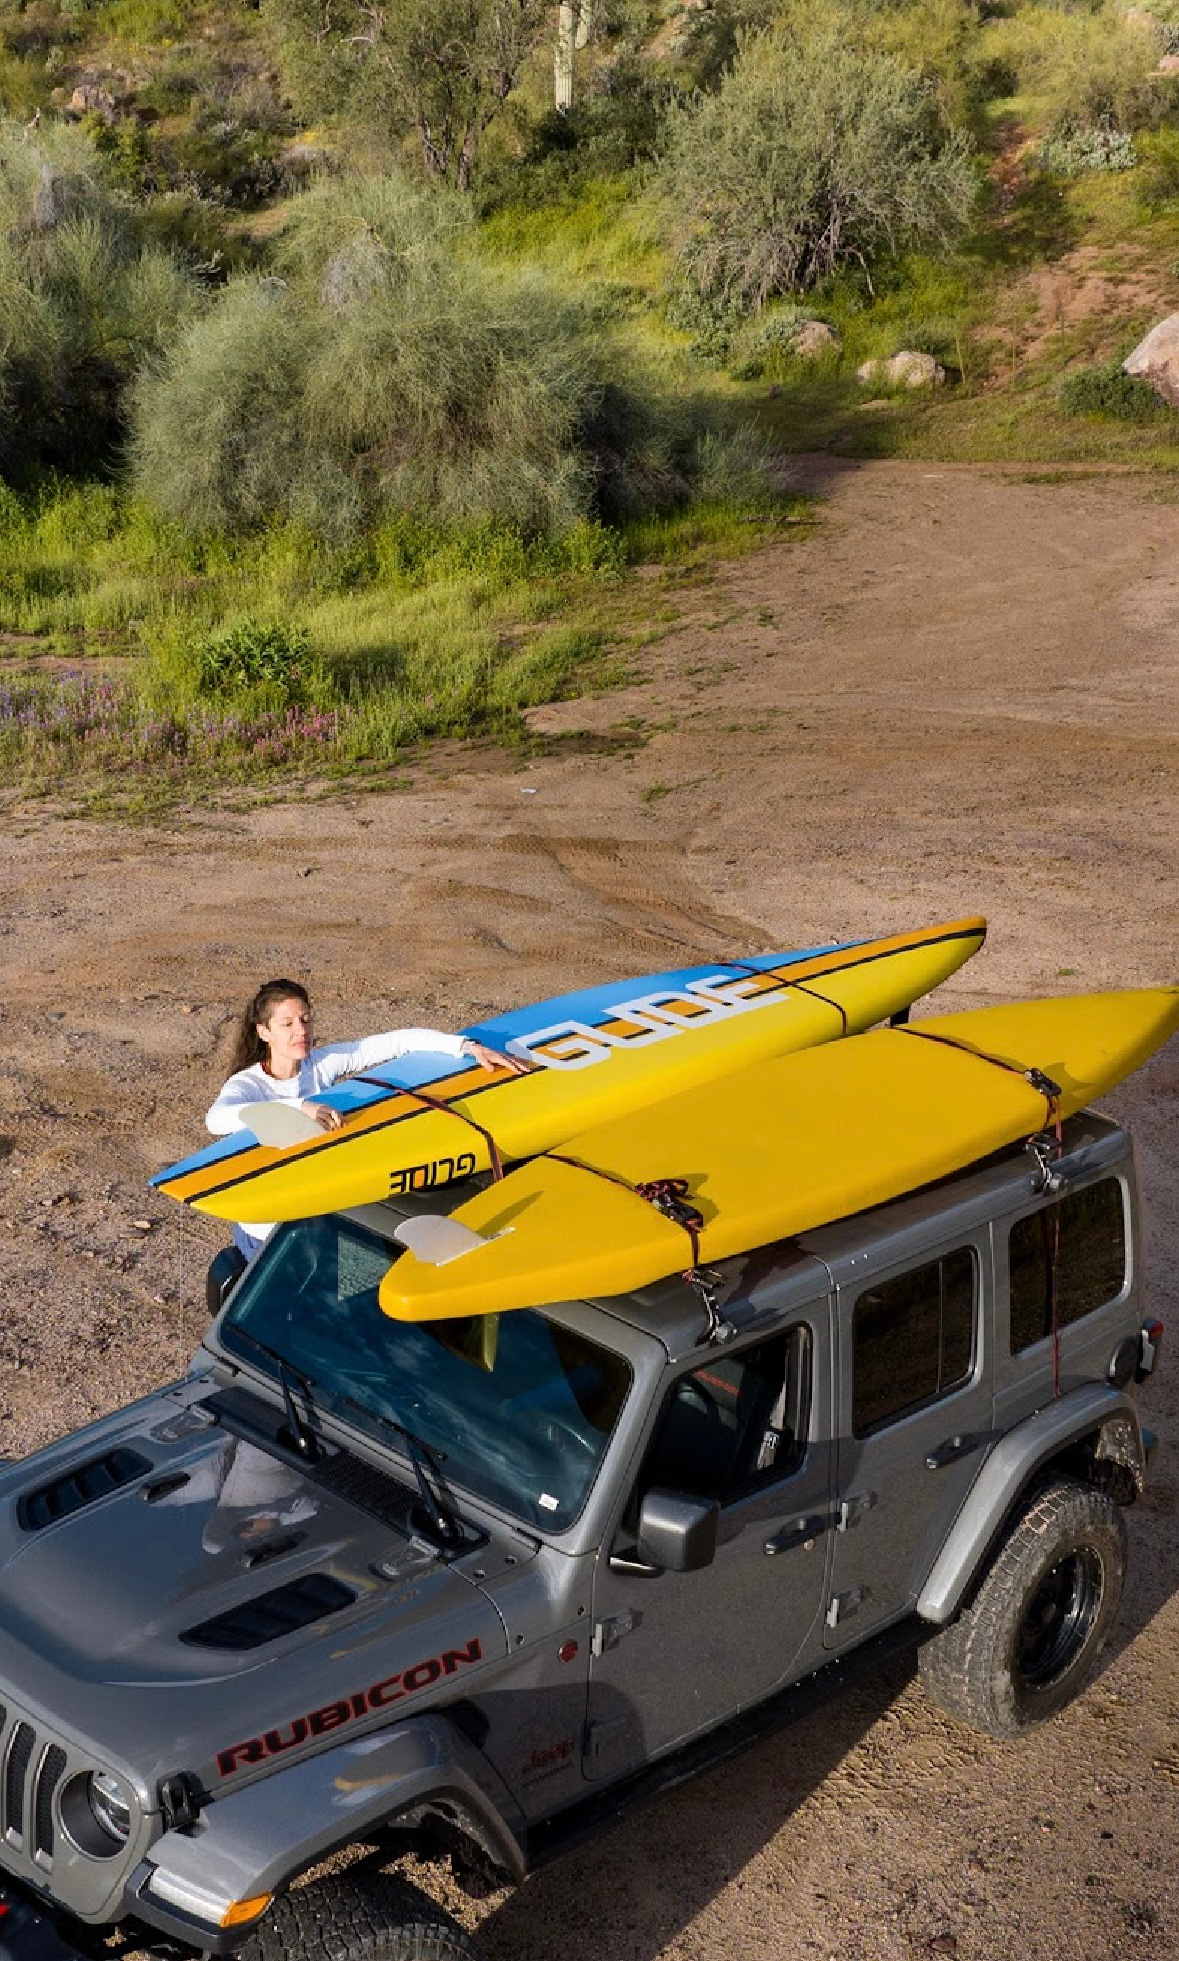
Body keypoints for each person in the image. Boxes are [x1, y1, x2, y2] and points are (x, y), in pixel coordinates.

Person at [206, 978, 525, 1259]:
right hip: (265, 1232)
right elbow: (216, 1120)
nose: (301, 1031)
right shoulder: (248, 1084)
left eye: (305, 1020)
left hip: (311, 1216)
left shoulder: (321, 1063)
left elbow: (399, 1041)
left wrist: (467, 1047)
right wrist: (301, 1106)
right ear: (263, 1032)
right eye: (287, 1024)